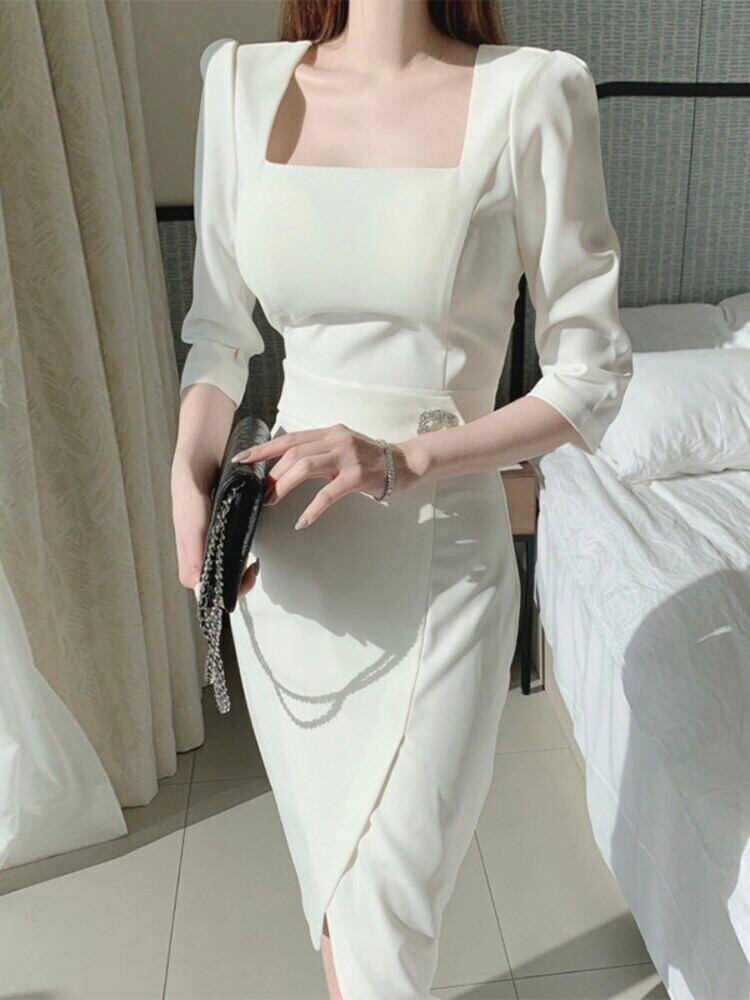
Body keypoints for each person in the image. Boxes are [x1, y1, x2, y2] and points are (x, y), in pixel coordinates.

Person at [170, 1, 633, 996]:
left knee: (385, 913)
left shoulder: (532, 94)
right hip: (292, 579)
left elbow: (590, 377)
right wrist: (185, 477)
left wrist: (409, 459)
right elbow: (218, 336)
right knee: (343, 909)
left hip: (442, 569)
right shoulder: (238, 83)